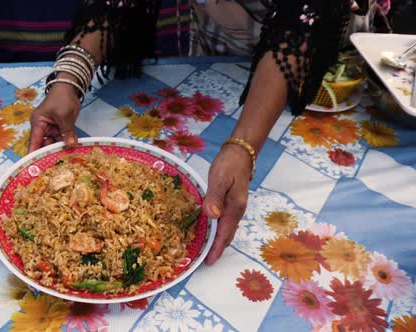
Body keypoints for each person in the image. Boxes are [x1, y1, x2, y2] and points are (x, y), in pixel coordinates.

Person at [28, 0, 355, 265]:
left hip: (304, 72)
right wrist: (69, 79)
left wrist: (243, 146)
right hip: (215, 47)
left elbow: (302, 21)